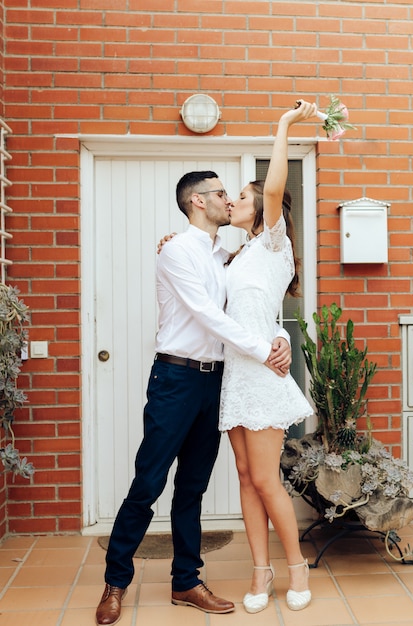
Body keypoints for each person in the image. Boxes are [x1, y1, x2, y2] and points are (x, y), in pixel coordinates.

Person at [95, 170, 292, 626]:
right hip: (175, 379)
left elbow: (251, 303)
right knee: (148, 484)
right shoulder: (178, 251)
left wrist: (278, 333)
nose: (230, 199)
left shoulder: (225, 253)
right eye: (223, 193)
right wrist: (265, 352)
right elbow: (206, 314)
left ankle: (186, 580)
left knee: (192, 489)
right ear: (197, 202)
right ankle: (115, 583)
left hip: (214, 382)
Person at [218, 99, 316, 613]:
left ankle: (296, 567)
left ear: (262, 210)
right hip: (237, 372)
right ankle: (261, 570)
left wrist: (283, 124)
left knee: (264, 477)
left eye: (241, 196)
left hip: (263, 373)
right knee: (243, 474)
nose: (233, 202)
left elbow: (275, 185)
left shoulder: (273, 243)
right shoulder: (233, 255)